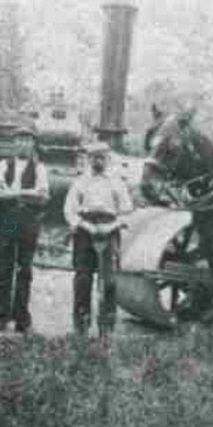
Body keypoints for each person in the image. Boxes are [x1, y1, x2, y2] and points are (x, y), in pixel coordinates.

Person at [64, 141, 134, 337]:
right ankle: (81, 325)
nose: (98, 160)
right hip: (85, 231)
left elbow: (127, 211)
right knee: (83, 279)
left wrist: (112, 226)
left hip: (110, 229)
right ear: (88, 159)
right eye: (94, 157)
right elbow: (69, 210)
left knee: (109, 280)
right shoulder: (80, 182)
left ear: (108, 159)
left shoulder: (116, 182)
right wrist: (85, 226)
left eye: (102, 156)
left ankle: (107, 326)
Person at [0, 125, 50, 333]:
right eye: (19, 139)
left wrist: (12, 192)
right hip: (7, 222)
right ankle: (0, 317)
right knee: (5, 270)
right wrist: (25, 194)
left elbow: (43, 196)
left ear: (33, 144)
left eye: (27, 139)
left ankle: (22, 319)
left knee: (25, 271)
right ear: (14, 143)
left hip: (29, 224)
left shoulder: (40, 168)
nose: (23, 143)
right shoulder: (3, 165)